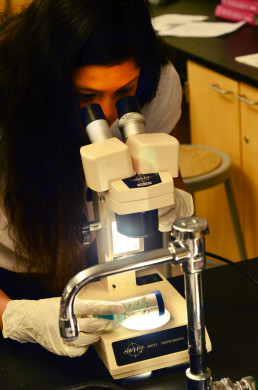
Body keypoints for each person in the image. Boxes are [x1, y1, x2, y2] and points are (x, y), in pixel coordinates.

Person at [0, 0, 193, 357]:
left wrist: (173, 204)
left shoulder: (158, 81)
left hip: (117, 263)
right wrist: (13, 316)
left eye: (124, 93)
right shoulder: (9, 95)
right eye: (85, 96)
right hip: (15, 285)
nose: (106, 115)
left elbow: (170, 178)